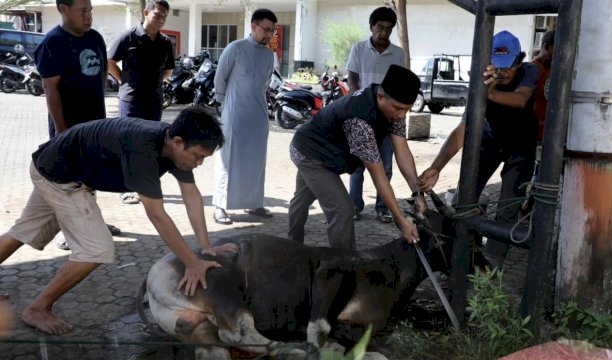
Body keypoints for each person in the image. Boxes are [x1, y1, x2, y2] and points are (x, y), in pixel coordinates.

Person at [0, 107, 238, 335]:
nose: (199, 163)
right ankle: (38, 309)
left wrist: (206, 247)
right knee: (96, 249)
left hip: (53, 165)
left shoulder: (174, 147)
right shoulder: (143, 149)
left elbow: (191, 195)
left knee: (24, 231)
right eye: (197, 156)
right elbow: (156, 213)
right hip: (60, 176)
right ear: (177, 142)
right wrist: (192, 263)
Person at [418, 30, 539, 268]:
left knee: (507, 208)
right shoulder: (479, 82)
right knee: (465, 198)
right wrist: (436, 167)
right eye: (497, 66)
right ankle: (464, 255)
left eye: (508, 66)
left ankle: (491, 268)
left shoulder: (529, 71)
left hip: (520, 145)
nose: (502, 73)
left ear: (519, 61)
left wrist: (489, 93)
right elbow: (463, 129)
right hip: (488, 141)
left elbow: (520, 99)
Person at [288, 65, 428, 254]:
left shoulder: (393, 106)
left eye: (407, 110)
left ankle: (292, 248)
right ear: (380, 96)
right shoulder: (360, 121)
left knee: (302, 198)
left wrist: (417, 193)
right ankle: (345, 266)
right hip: (308, 153)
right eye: (398, 109)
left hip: (325, 151)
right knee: (342, 210)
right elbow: (378, 176)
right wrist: (400, 219)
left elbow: (402, 150)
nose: (401, 115)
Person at [34, 0, 121, 245]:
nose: (88, 15)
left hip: (94, 125)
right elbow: (51, 90)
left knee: (91, 174)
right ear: (64, 8)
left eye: (90, 10)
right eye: (83, 10)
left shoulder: (95, 38)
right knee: (69, 181)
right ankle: (69, 233)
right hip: (68, 128)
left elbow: (103, 73)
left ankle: (93, 223)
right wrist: (62, 132)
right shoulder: (53, 43)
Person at [211, 9, 277, 225]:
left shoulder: (270, 55)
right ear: (253, 26)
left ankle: (254, 202)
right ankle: (219, 206)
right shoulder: (235, 49)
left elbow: (265, 86)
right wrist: (223, 106)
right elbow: (220, 80)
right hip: (234, 113)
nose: (269, 35)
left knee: (256, 160)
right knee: (228, 158)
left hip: (259, 116)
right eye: (266, 30)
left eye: (272, 31)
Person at [107, 0, 175, 205]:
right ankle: (125, 187)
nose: (161, 19)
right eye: (158, 15)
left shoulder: (165, 42)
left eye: (164, 16)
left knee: (151, 143)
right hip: (131, 100)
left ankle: (146, 184)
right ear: (146, 13)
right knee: (128, 143)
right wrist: (124, 81)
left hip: (154, 100)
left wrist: (152, 84)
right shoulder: (129, 37)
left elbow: (168, 70)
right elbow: (109, 61)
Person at [346, 6, 405, 224]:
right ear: (371, 27)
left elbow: (399, 84)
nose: (383, 33)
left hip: (388, 120)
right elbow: (352, 80)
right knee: (358, 166)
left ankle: (383, 207)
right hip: (362, 117)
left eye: (388, 29)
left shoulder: (398, 53)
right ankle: (354, 205)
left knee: (386, 165)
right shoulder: (359, 49)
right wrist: (357, 107)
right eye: (380, 27)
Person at [532, 30, 554, 142]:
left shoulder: (556, 71)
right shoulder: (530, 70)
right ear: (546, 46)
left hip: (553, 137)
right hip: (533, 137)